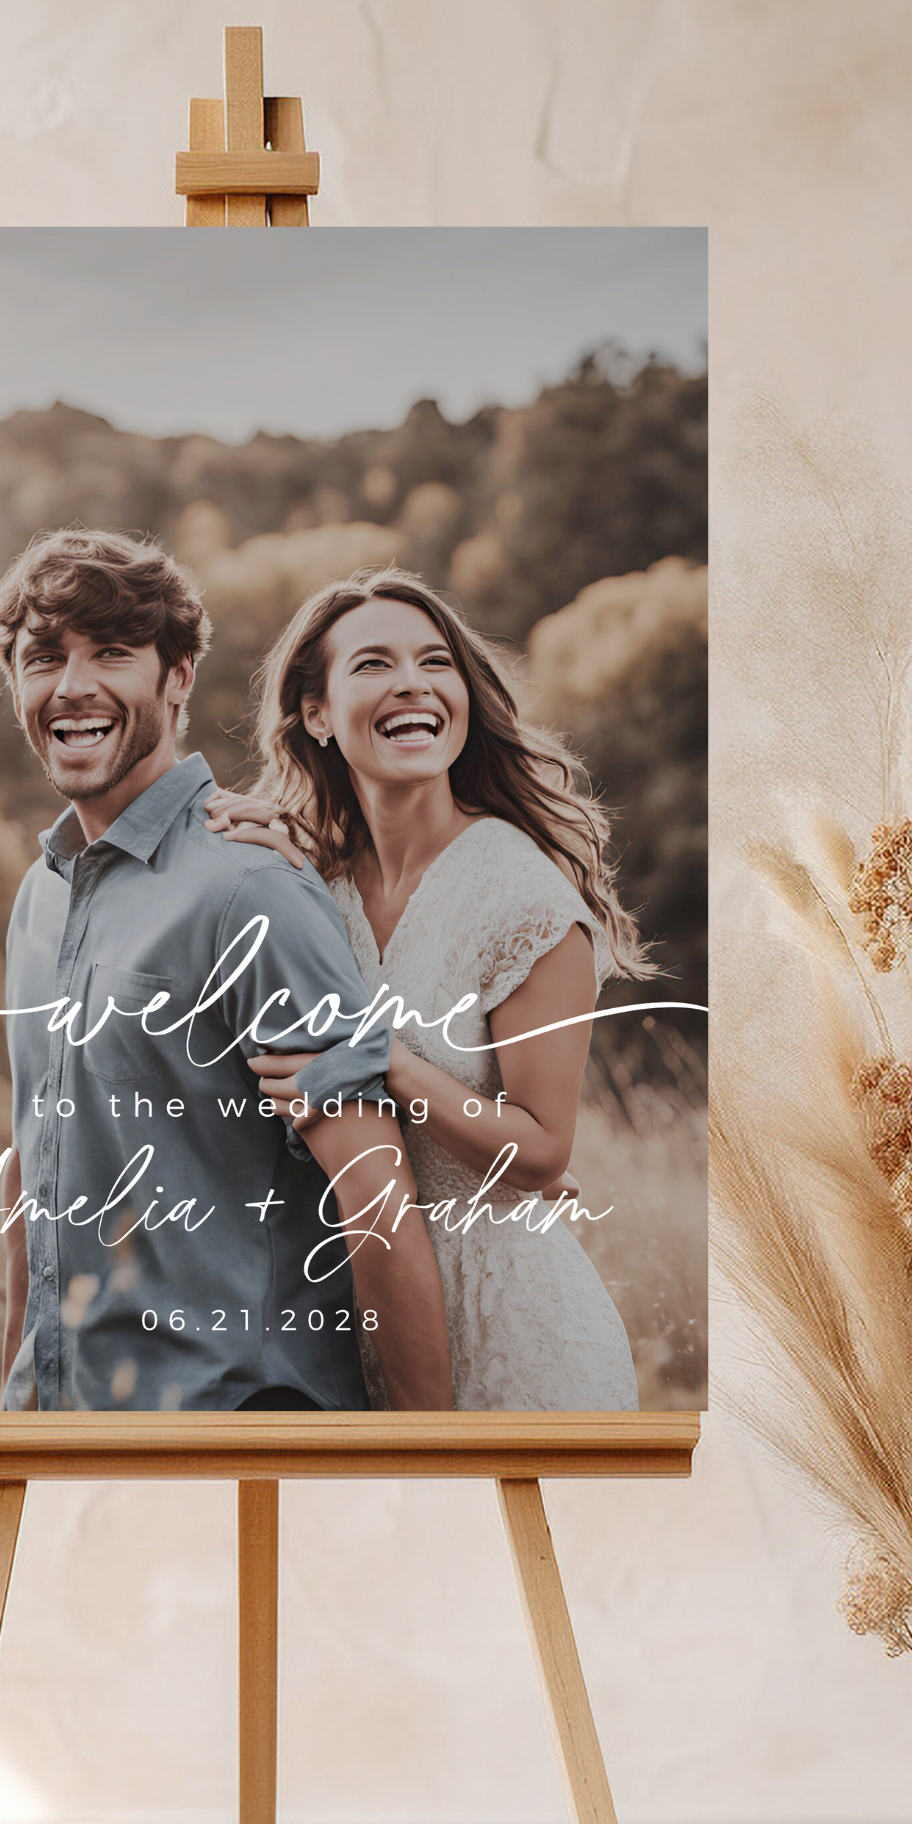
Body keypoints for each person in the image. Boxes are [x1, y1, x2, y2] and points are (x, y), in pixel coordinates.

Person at [0, 527, 450, 1412]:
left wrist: (430, 1469)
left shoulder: (249, 890)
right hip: (72, 1433)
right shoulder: (38, 901)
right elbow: (34, 1176)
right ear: (16, 684)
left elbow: (374, 1194)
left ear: (179, 678)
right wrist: (15, 1420)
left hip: (238, 1436)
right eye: (43, 657)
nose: (73, 685)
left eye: (113, 653)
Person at [204, 566, 653, 1410]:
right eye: (373, 665)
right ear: (316, 713)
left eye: (434, 662)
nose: (412, 682)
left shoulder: (522, 895)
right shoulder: (313, 885)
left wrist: (388, 1063)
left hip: (519, 1330)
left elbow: (544, 1151)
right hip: (362, 1316)